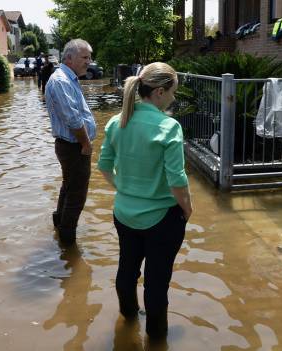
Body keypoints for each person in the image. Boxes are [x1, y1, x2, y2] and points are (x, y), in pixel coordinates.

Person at [97, 62, 192, 339]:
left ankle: (127, 319)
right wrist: (187, 209)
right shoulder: (168, 126)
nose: (174, 97)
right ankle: (156, 338)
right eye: (173, 91)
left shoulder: (118, 121)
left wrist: (125, 189)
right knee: (156, 283)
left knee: (126, 269)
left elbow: (104, 165)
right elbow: (177, 180)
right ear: (160, 92)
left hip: (124, 213)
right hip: (162, 218)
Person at [45, 39, 97, 245]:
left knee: (69, 187)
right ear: (69, 58)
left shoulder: (68, 78)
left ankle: (60, 227)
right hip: (74, 146)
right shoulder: (61, 81)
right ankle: (67, 243)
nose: (89, 62)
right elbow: (73, 118)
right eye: (85, 57)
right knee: (77, 196)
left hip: (72, 145)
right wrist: (85, 143)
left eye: (89, 57)